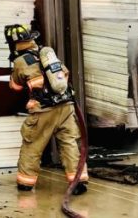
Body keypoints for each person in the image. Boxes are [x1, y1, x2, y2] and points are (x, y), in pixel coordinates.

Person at [5, 24, 88, 193]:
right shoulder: (46, 54)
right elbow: (65, 73)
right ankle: (77, 182)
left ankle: (26, 183)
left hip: (44, 111)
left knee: (33, 144)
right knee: (69, 144)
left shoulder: (21, 61)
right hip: (66, 107)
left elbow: (15, 86)